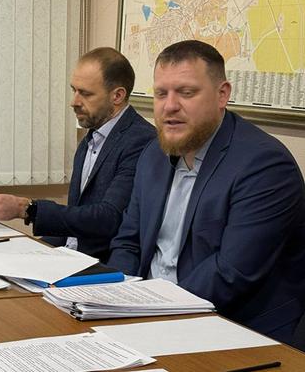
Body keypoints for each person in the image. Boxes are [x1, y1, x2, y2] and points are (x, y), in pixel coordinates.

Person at [107, 40, 305, 343]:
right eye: (161, 93)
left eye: (186, 92)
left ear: (222, 94)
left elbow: (231, 274)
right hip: (149, 314)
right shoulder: (153, 155)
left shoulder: (264, 165)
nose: (169, 106)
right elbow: (128, 242)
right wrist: (114, 301)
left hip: (233, 327)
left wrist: (148, 314)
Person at [0, 47, 155, 261]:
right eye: (74, 90)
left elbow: (108, 219)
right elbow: (75, 217)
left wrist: (26, 209)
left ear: (117, 95)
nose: (74, 102)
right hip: (66, 254)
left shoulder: (141, 141)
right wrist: (33, 251)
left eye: (85, 93)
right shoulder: (92, 136)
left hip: (100, 265)